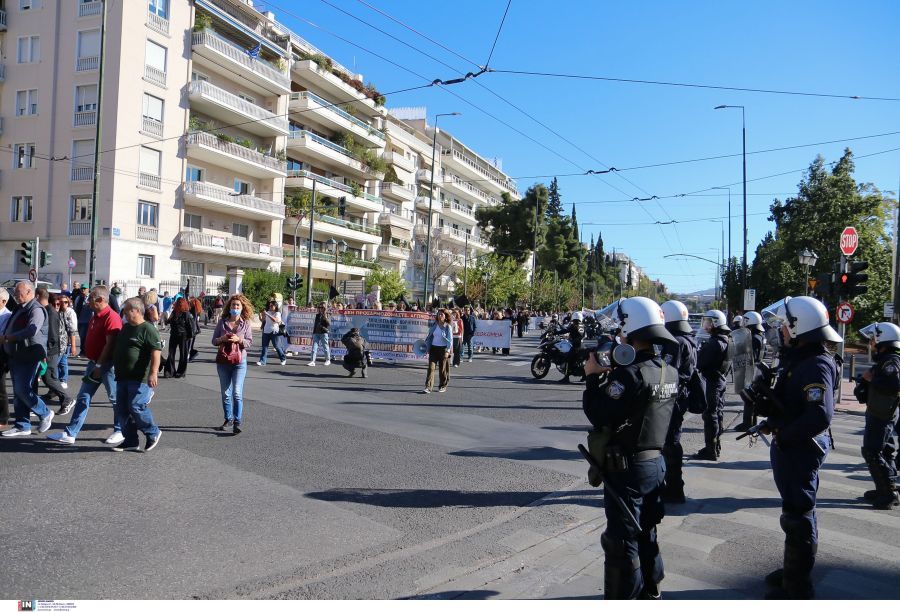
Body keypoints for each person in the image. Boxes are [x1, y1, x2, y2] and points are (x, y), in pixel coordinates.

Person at [582, 296, 679, 599]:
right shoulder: (668, 370)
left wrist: (592, 378)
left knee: (621, 540)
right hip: (655, 464)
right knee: (647, 530)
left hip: (628, 468)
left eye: (621, 327)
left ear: (630, 328)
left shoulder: (630, 374)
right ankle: (652, 589)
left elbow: (599, 413)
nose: (618, 334)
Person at [756, 296, 839, 599]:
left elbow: (819, 415)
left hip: (801, 447)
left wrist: (785, 435)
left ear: (797, 327)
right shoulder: (801, 359)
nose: (780, 330)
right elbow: (795, 405)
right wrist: (771, 418)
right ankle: (793, 570)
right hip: (794, 444)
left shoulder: (816, 364)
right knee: (795, 512)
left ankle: (798, 588)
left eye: (783, 325)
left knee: (799, 515)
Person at [47, 286, 123, 446]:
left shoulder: (112, 317)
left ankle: (120, 429)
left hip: (107, 365)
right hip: (94, 363)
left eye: (91, 299)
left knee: (115, 398)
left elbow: (110, 345)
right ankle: (71, 433)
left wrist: (99, 365)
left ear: (101, 300)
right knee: (83, 397)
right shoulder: (96, 315)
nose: (88, 302)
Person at [855, 322, 900, 509]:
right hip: (881, 410)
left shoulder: (891, 360)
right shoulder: (887, 359)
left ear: (883, 339)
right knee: (885, 451)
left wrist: (871, 378)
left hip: (882, 413)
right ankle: (885, 488)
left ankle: (888, 493)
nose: (871, 343)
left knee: (872, 451)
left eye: (873, 339)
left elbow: (894, 383)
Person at [0, 282, 53, 437]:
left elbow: (32, 330)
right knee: (18, 393)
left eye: (18, 292)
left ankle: (45, 412)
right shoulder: (20, 308)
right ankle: (22, 425)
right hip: (16, 355)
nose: (15, 295)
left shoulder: (36, 309)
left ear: (29, 292)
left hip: (29, 355)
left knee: (22, 390)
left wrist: (8, 338)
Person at [111, 298, 162, 452]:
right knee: (122, 410)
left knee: (136, 406)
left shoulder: (148, 329)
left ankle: (152, 432)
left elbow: (156, 352)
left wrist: (153, 373)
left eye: (127, 310)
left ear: (137, 311)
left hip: (140, 378)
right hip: (122, 376)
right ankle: (131, 441)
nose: (124, 313)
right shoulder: (126, 328)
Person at [659, 299, 698, 504]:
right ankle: (673, 485)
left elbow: (666, 372)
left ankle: (674, 488)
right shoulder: (689, 339)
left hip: (673, 396)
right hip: (682, 395)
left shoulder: (675, 343)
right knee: (672, 440)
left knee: (670, 442)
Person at [693, 309, 734, 461]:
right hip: (720, 379)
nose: (706, 325)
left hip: (713, 381)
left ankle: (710, 449)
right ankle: (716, 446)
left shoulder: (715, 342)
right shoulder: (727, 339)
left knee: (710, 415)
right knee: (718, 413)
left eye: (708, 322)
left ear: (716, 323)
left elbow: (700, 362)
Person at [211, 294, 253, 435]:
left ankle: (237, 422)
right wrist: (222, 338)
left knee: (237, 393)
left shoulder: (245, 324)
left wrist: (239, 340)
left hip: (239, 362)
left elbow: (249, 342)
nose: (235, 307)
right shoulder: (222, 322)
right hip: (223, 361)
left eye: (237, 305)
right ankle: (228, 419)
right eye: (233, 305)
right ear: (229, 307)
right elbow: (214, 341)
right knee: (225, 393)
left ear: (242, 308)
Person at [35, 289, 74, 414]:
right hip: (48, 350)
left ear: (37, 296)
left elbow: (52, 336)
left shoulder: (50, 313)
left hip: (50, 351)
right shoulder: (46, 310)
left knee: (49, 378)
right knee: (50, 377)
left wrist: (45, 353)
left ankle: (66, 399)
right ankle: (55, 398)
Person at [736, 311, 767, 432]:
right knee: (751, 397)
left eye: (745, 321)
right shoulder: (760, 336)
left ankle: (747, 423)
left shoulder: (753, 338)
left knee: (748, 397)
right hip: (758, 368)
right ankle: (750, 422)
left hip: (751, 370)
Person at [423, 309, 453, 393]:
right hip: (433, 348)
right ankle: (428, 387)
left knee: (442, 369)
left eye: (441, 314)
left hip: (443, 349)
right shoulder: (434, 325)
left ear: (445, 316)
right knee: (431, 368)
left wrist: (447, 351)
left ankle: (442, 385)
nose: (439, 316)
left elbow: (450, 340)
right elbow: (430, 337)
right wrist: (427, 347)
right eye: (438, 314)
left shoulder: (447, 327)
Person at [165, 297, 193, 378]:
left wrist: (190, 336)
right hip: (175, 334)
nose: (179, 304)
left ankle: (180, 372)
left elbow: (190, 326)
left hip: (183, 335)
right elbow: (168, 321)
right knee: (172, 353)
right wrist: (168, 319)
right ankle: (170, 371)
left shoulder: (186, 313)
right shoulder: (174, 312)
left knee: (182, 354)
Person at [56, 295, 78, 390]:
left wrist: (73, 345)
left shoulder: (70, 312)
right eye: (61, 302)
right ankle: (59, 380)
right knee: (60, 362)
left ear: (68, 303)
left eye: (65, 302)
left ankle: (63, 380)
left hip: (65, 342)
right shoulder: (57, 311)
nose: (63, 304)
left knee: (61, 362)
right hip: (57, 341)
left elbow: (72, 330)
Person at [0, 288, 14, 432]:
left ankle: (3, 418)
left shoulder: (7, 316)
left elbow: (3, 336)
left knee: (1, 387)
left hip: (2, 354)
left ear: (4, 301)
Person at [257, 300, 286, 366]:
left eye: (271, 305)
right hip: (266, 331)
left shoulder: (277, 313)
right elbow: (263, 320)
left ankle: (283, 358)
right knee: (264, 347)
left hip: (274, 332)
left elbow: (275, 320)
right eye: (269, 305)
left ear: (275, 306)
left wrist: (267, 314)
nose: (270, 307)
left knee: (277, 346)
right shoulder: (267, 312)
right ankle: (262, 361)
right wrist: (260, 314)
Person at [561, 311, 585, 384]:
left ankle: (566, 377)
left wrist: (575, 340)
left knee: (568, 359)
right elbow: (566, 330)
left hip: (577, 347)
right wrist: (556, 332)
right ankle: (584, 376)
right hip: (579, 345)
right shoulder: (577, 325)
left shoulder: (578, 325)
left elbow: (581, 335)